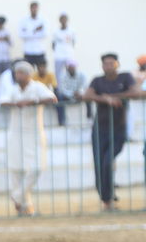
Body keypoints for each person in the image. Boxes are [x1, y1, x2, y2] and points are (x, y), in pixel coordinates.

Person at [82, 53, 136, 212]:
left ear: (117, 64)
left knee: (107, 161)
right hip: (100, 129)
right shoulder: (97, 80)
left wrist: (112, 96)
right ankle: (107, 200)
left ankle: (109, 196)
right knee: (100, 165)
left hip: (119, 129)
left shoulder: (125, 77)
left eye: (111, 63)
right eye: (106, 64)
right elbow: (87, 95)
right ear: (102, 66)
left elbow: (135, 92)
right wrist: (105, 99)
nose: (109, 66)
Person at [0, 61, 56, 216]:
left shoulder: (37, 87)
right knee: (16, 168)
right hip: (16, 133)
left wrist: (32, 101)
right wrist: (16, 103)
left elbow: (52, 98)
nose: (18, 76)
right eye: (17, 73)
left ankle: (17, 196)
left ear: (28, 74)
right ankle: (26, 207)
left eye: (21, 73)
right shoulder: (13, 89)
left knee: (38, 166)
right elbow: (2, 102)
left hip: (34, 132)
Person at [55, 59, 87, 125]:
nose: (71, 69)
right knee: (59, 98)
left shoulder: (82, 75)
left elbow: (85, 86)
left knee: (89, 97)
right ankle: (62, 120)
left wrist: (79, 93)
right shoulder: (63, 75)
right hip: (67, 96)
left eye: (73, 67)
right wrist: (73, 94)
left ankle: (89, 118)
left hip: (80, 95)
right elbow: (62, 89)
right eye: (69, 67)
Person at [18, 1, 47, 69]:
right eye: (33, 7)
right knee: (28, 70)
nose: (34, 9)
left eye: (36, 7)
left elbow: (45, 34)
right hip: (28, 51)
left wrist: (27, 32)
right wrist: (35, 29)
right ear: (30, 8)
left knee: (41, 71)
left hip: (40, 50)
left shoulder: (43, 19)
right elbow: (21, 35)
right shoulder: (23, 20)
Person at [52, 12, 76, 78]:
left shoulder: (72, 30)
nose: (63, 20)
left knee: (70, 73)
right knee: (58, 74)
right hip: (58, 56)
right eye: (62, 18)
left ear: (67, 19)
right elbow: (53, 44)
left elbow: (73, 42)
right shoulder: (55, 31)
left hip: (68, 56)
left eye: (64, 18)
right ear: (59, 20)